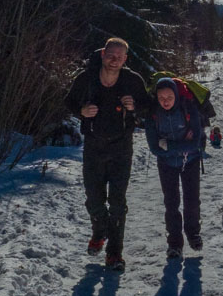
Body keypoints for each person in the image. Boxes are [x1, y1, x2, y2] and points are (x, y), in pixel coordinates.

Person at [65, 36, 150, 272]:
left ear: (125, 59)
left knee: (117, 202)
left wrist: (134, 107)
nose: (114, 60)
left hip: (122, 147)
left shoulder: (132, 80)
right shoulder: (87, 79)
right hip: (93, 146)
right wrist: (82, 111)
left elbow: (147, 104)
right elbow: (69, 101)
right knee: (94, 198)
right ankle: (99, 230)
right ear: (103, 54)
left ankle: (115, 254)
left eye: (120, 57)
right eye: (111, 55)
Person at [145, 78, 205, 258]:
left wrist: (169, 146)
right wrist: (180, 145)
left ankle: (193, 234)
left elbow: (196, 143)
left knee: (192, 200)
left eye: (169, 96)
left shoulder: (188, 108)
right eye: (161, 97)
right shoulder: (153, 113)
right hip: (166, 165)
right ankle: (174, 242)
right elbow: (154, 147)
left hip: (191, 161)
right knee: (171, 203)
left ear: (176, 95)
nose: (165, 101)